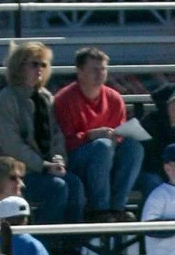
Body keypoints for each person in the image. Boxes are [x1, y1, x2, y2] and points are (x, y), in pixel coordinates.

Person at [0, 41, 85, 227]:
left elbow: (56, 135)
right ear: (19, 66)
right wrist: (44, 166)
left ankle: (73, 245)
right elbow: (12, 146)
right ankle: (47, 243)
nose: (39, 69)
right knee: (56, 188)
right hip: (13, 174)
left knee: (75, 184)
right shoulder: (6, 99)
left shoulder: (46, 98)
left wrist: (58, 160)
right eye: (34, 64)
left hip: (45, 169)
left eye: (43, 64)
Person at [53, 47, 145, 220]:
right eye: (94, 70)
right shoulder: (64, 100)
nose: (100, 74)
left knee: (134, 147)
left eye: (103, 69)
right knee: (102, 146)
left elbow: (120, 133)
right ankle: (99, 209)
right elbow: (63, 142)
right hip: (75, 158)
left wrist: (117, 137)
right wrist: (90, 136)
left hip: (106, 156)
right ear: (79, 72)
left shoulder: (115, 99)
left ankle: (118, 207)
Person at [136, 83, 175, 205]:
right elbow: (149, 162)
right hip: (152, 172)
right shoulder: (150, 124)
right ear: (165, 108)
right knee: (154, 183)